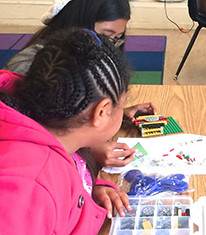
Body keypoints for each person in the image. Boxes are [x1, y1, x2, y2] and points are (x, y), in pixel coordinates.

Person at [0, 28, 133, 234]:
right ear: (102, 112)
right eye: (122, 104)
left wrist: (90, 192)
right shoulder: (28, 189)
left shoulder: (52, 129)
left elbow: (66, 181)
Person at [3, 0, 157, 167]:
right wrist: (89, 153)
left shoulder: (65, 60)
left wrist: (115, 111)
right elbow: (35, 135)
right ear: (79, 21)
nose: (110, 45)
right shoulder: (42, 68)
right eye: (106, 36)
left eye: (117, 38)